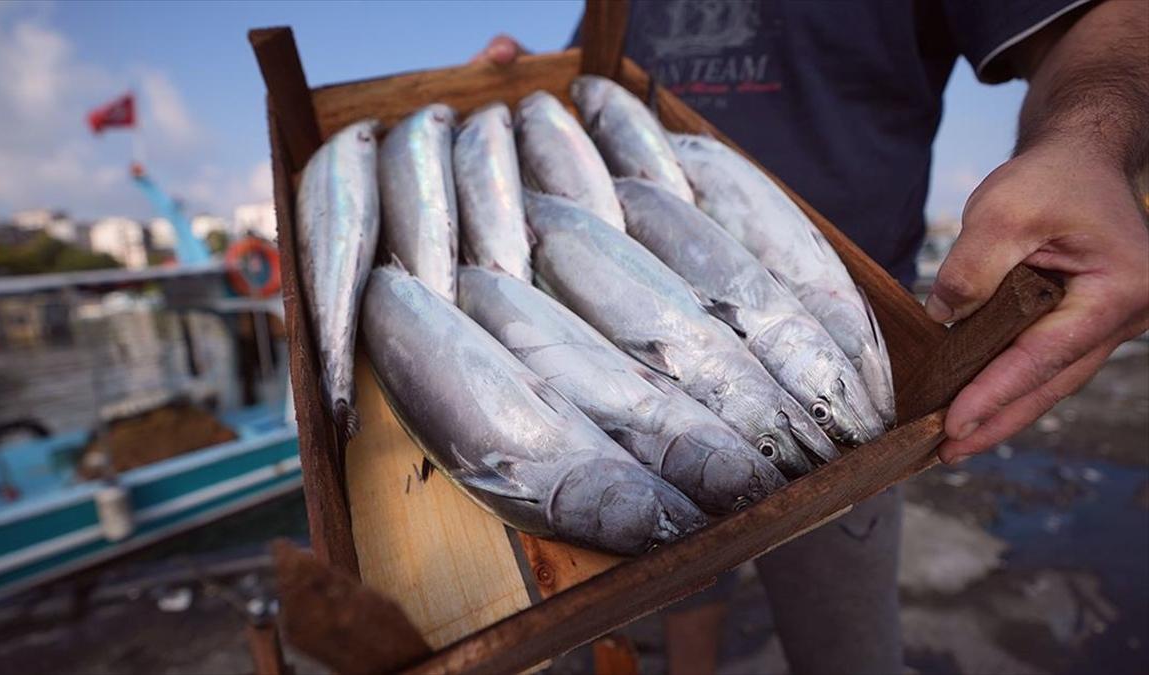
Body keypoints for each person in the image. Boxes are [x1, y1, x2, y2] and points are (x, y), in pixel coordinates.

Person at [474, 1, 1149, 673]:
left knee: (845, 636)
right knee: (684, 575)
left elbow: (1102, 20)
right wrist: (525, 84)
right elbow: (592, 80)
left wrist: (1086, 143)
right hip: (626, 336)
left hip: (858, 369)